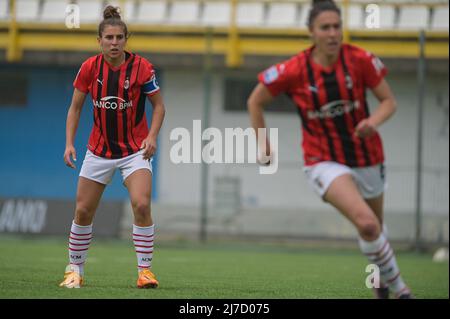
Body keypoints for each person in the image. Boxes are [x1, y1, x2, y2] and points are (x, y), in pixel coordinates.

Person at [247, 0, 412, 299]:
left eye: (337, 27)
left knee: (375, 229)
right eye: (325, 27)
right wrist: (263, 142)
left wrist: (372, 122)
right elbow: (255, 101)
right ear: (311, 32)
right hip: (322, 159)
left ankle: (379, 279)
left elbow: (389, 102)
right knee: (366, 223)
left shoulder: (360, 60)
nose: (333, 33)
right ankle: (402, 292)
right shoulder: (294, 69)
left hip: (368, 157)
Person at [59, 6, 165, 289]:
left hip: (134, 151)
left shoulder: (142, 68)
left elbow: (159, 108)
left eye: (119, 37)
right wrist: (70, 143)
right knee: (82, 211)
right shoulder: (89, 68)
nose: (114, 42)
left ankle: (145, 272)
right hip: (98, 151)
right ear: (100, 40)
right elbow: (75, 108)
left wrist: (152, 137)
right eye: (109, 37)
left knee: (141, 204)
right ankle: (75, 271)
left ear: (126, 39)